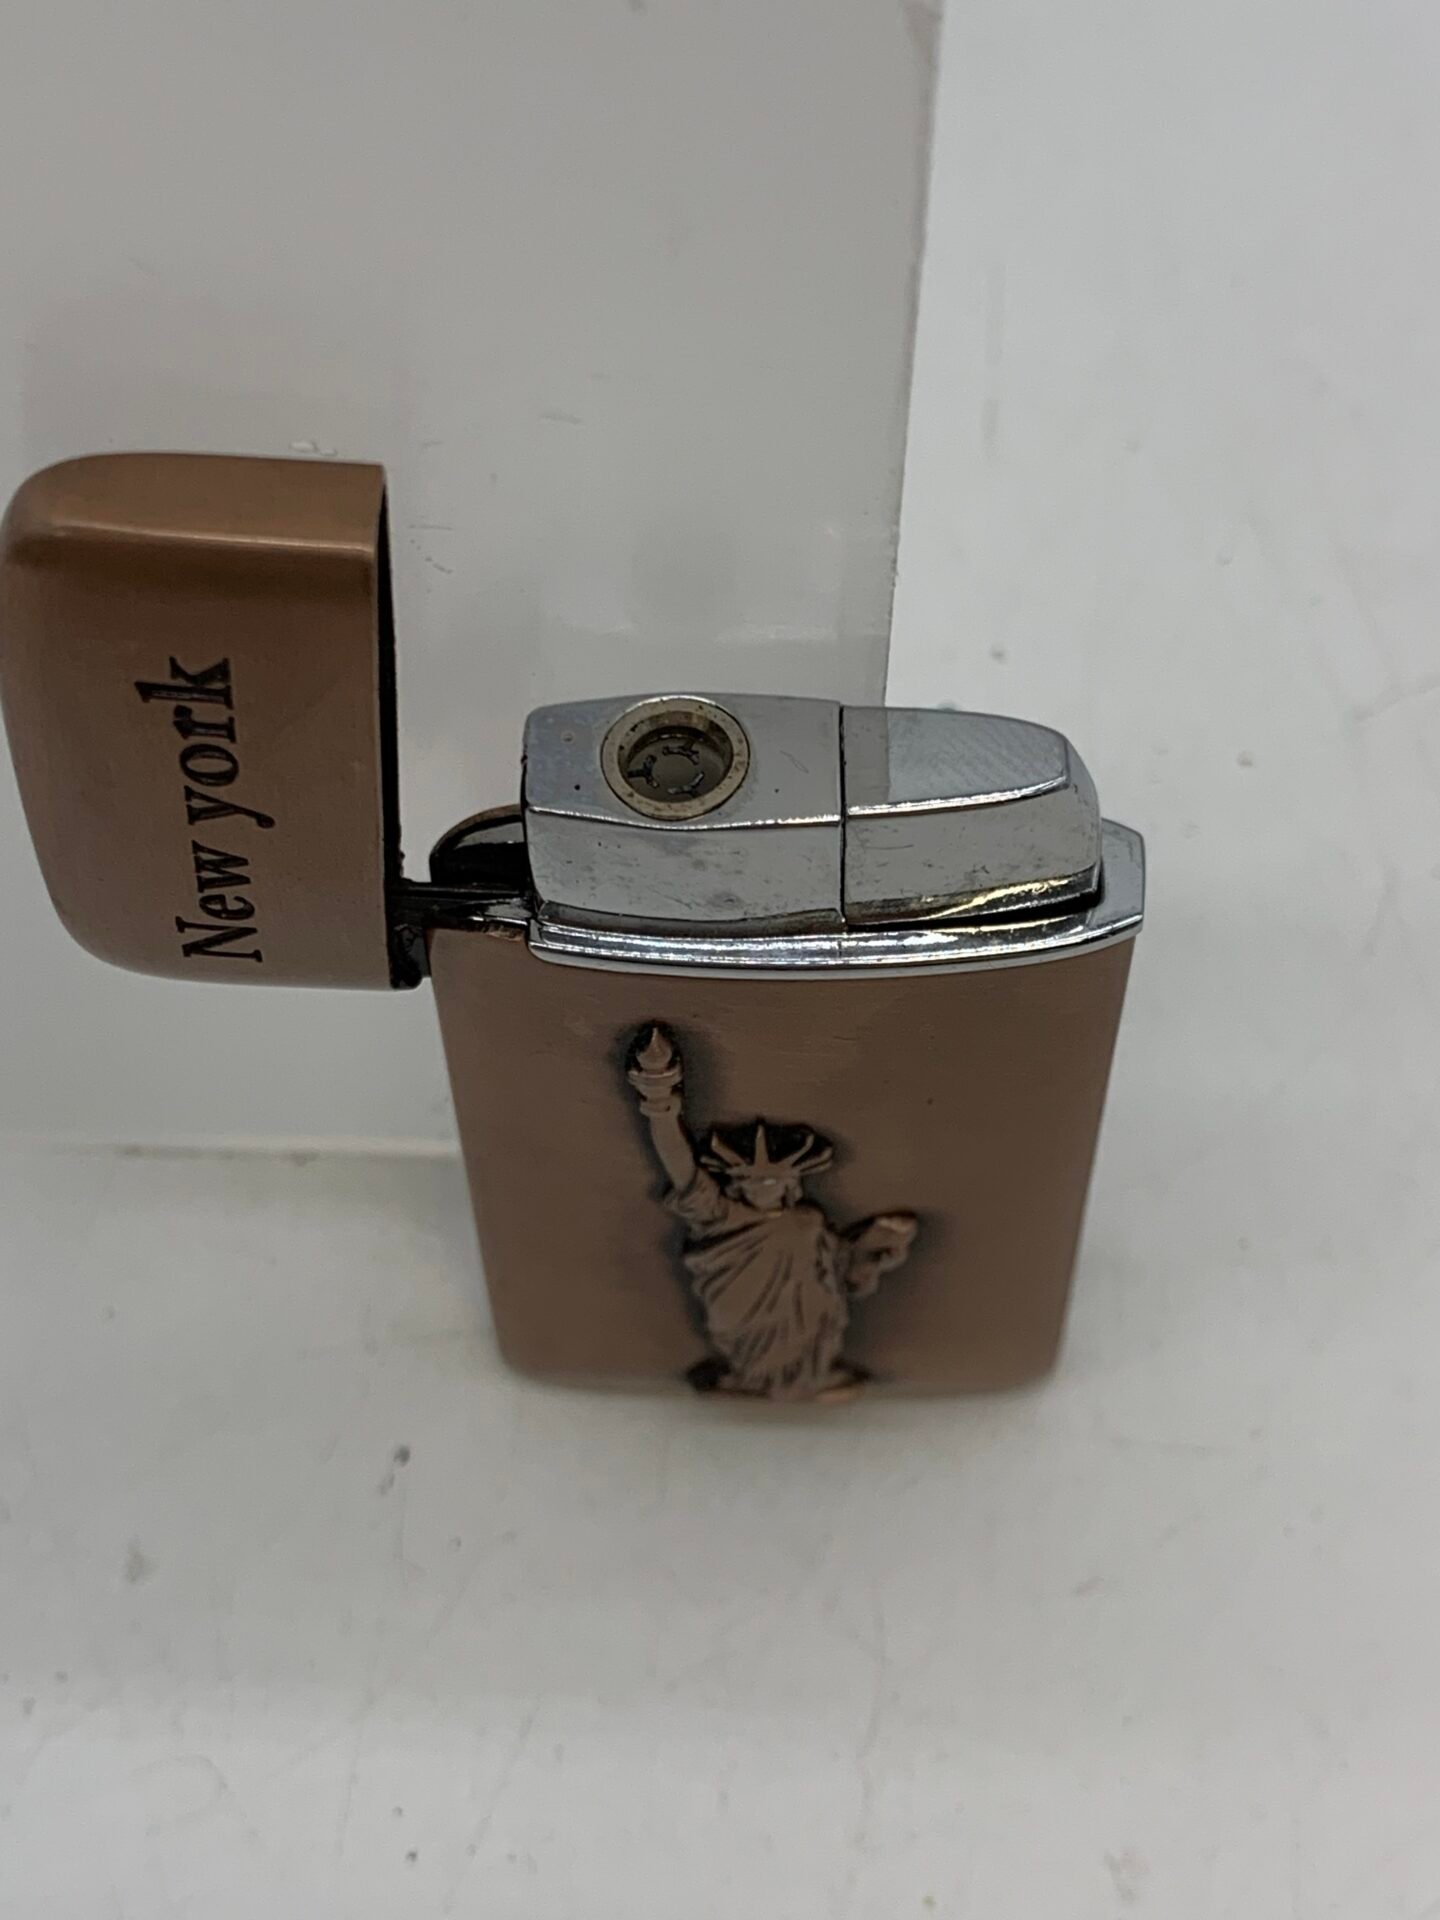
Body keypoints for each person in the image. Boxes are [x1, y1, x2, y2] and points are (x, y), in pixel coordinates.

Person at [626, 1024, 917, 1400]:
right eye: (752, 1183)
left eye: (773, 1182)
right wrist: (660, 1101)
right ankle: (749, 1376)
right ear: (736, 1185)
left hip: (806, 1313)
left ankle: (806, 1378)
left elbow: (833, 1265)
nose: (763, 1188)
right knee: (741, 1336)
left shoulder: (807, 1220)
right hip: (741, 1311)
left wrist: (874, 1250)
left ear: (791, 1185)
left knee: (810, 1330)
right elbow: (681, 1167)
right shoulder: (719, 1214)